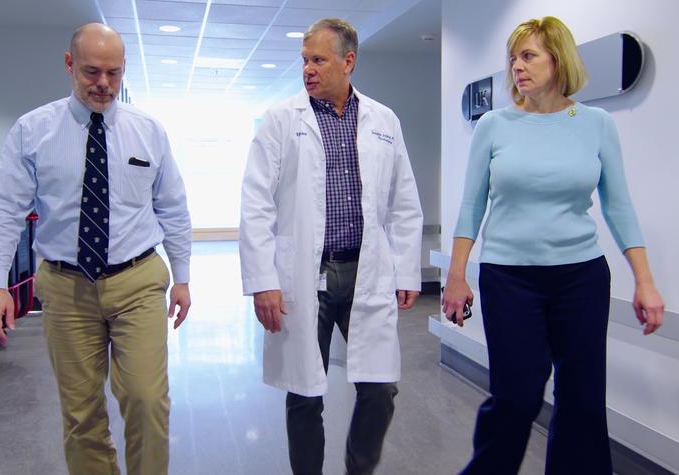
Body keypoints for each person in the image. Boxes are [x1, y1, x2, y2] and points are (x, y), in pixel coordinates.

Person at [443, 16, 665, 475]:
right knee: (517, 396)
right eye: (513, 57)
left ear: (558, 59)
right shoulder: (494, 126)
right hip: (509, 277)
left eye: (529, 55)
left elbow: (618, 205)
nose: (516, 67)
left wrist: (645, 281)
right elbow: (472, 204)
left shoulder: (596, 124)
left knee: (582, 399)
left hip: (580, 277)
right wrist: (457, 274)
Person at [0, 23, 192, 475]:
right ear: (69, 64)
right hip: (66, 285)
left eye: (114, 73)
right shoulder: (33, 130)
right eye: (92, 72)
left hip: (136, 279)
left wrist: (184, 277)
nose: (104, 84)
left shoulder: (148, 131)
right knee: (81, 415)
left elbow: (173, 207)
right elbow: (2, 209)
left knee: (146, 399)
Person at [239, 18, 423, 475]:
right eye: (304, 60)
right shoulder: (283, 119)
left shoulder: (383, 121)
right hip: (307, 274)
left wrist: (406, 271)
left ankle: (359, 468)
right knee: (304, 391)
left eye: (318, 60)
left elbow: (404, 201)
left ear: (349, 61)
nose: (308, 69)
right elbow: (255, 204)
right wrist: (263, 282)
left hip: (367, 270)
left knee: (380, 388)